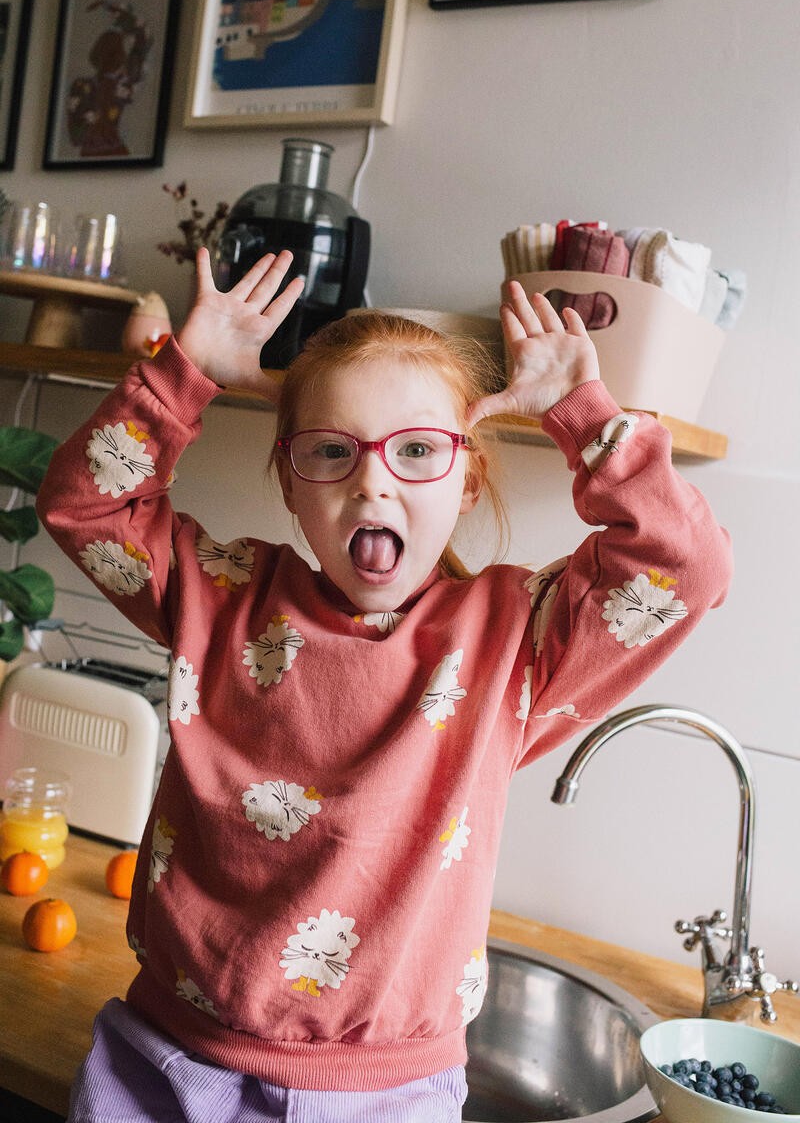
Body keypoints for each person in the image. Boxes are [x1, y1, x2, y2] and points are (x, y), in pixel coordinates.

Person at [37, 248, 732, 1123]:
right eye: (332, 451)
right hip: (164, 1064)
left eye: (415, 450)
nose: (372, 478)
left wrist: (582, 414)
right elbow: (82, 505)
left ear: (468, 479)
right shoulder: (218, 592)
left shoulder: (510, 637)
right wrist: (184, 376)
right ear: (290, 482)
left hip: (385, 1099)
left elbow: (687, 567)